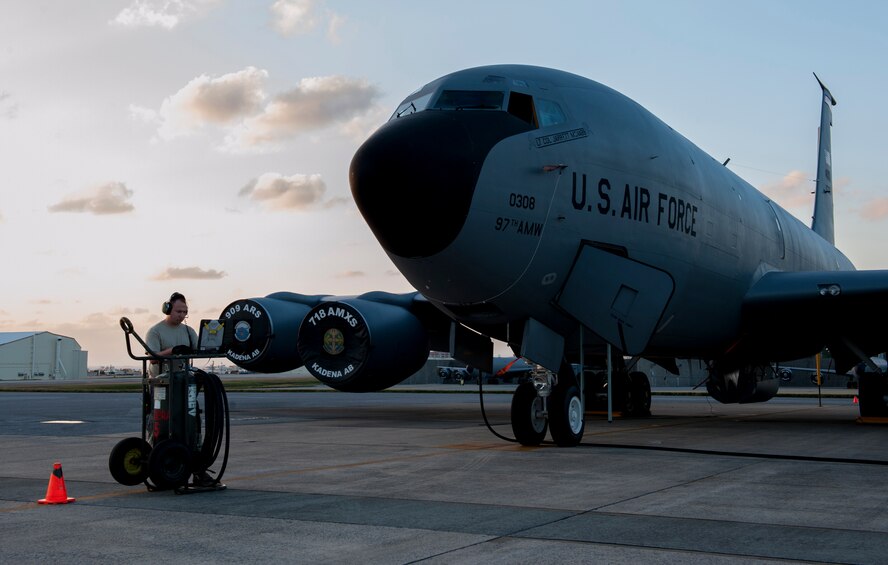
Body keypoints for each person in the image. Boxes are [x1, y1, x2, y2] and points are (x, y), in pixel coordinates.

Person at [145, 292, 197, 378]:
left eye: (184, 312)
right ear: (168, 310)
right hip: (161, 381)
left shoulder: (190, 331)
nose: (182, 315)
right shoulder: (154, 331)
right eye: (179, 311)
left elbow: (200, 350)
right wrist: (172, 350)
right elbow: (152, 359)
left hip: (183, 379)